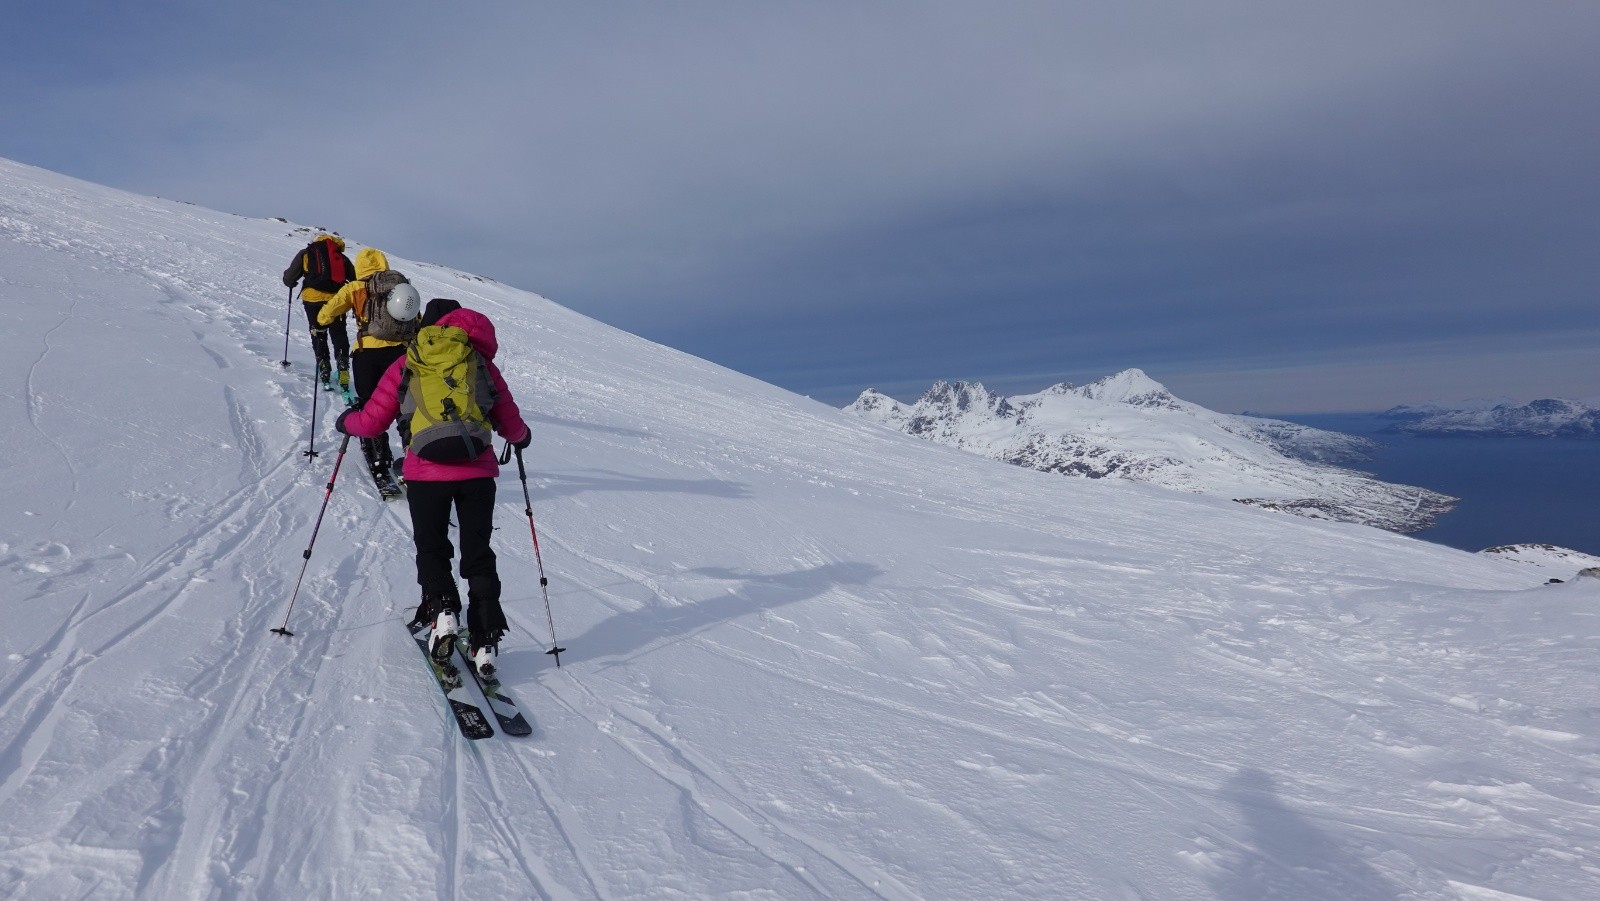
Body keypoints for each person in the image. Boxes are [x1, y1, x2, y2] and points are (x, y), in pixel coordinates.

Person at [336, 298, 531, 676]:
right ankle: (486, 639)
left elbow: (373, 422)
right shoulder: (481, 363)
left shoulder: (410, 360)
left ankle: (442, 612)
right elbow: (511, 422)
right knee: (478, 552)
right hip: (477, 474)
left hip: (426, 473)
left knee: (432, 547)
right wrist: (522, 438)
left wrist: (347, 422)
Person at [316, 247, 418, 485]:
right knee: (406, 406)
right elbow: (417, 319)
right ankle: (412, 456)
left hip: (367, 354)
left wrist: (320, 324)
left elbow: (330, 311)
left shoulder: (356, 287)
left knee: (371, 405)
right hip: (401, 355)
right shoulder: (401, 288)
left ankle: (379, 458)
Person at [282, 234, 355, 390]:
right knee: (339, 335)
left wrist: (293, 281)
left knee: (318, 333)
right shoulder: (341, 257)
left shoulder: (307, 253)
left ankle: (324, 369)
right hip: (336, 302)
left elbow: (289, 278)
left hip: (313, 300)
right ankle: (343, 369)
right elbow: (354, 281)